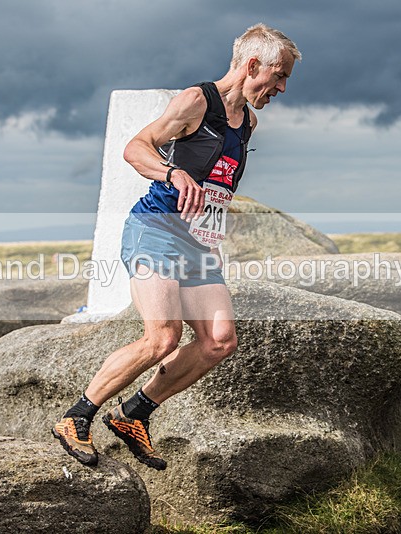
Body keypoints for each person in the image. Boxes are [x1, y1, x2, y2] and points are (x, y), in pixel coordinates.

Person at [52, 24, 301, 469]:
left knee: (219, 341)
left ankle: (134, 414)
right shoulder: (195, 102)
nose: (281, 87)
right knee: (162, 337)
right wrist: (172, 173)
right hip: (156, 230)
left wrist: (214, 228)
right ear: (251, 65)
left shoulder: (249, 122)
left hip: (198, 246)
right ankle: (76, 417)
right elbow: (136, 147)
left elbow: (217, 184)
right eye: (278, 75)